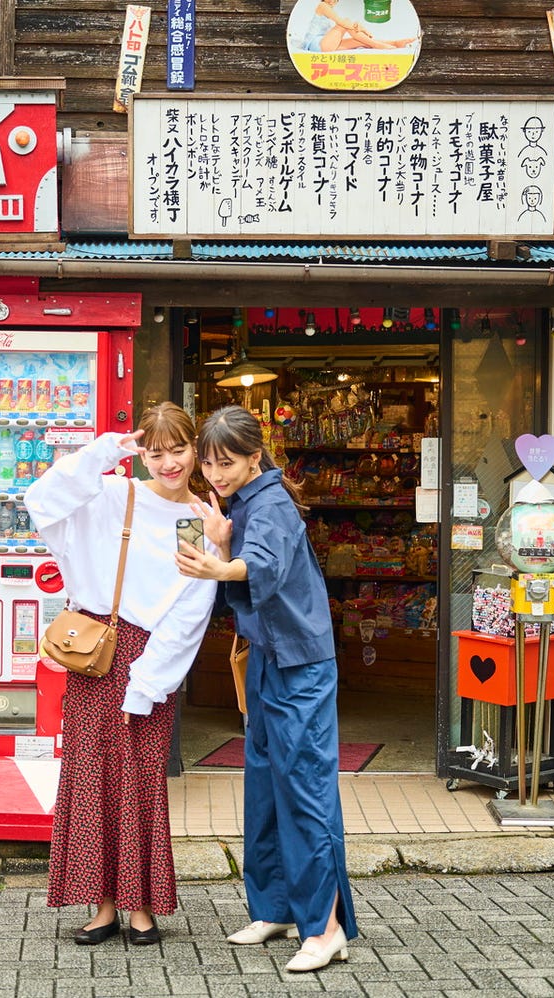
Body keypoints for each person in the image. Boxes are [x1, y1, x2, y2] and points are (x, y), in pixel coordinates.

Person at [25, 402, 218, 947]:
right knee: (93, 782)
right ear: (141, 453)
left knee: (142, 782)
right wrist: (104, 452)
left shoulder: (199, 520)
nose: (168, 463)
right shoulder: (114, 494)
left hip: (152, 658)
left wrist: (150, 681)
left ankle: (142, 906)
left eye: (178, 450)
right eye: (155, 452)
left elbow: (193, 604)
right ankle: (105, 905)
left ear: (195, 448)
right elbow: (40, 500)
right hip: (97, 651)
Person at [175, 405, 358, 973]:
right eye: (207, 463)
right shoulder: (246, 502)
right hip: (270, 660)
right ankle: (277, 906)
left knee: (303, 788)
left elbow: (265, 567)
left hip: (299, 665)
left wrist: (217, 562)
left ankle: (325, 927)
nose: (216, 474)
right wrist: (223, 549)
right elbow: (252, 571)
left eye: (226, 462)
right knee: (263, 782)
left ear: (256, 456)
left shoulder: (272, 502)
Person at [295, 0, 419, 52]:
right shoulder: (323, 6)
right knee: (346, 22)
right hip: (315, 45)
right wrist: (362, 28)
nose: (333, 1)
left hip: (325, 45)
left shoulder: (328, 9)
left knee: (360, 42)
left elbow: (346, 25)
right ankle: (378, 45)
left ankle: (396, 43)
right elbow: (342, 23)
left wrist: (359, 27)